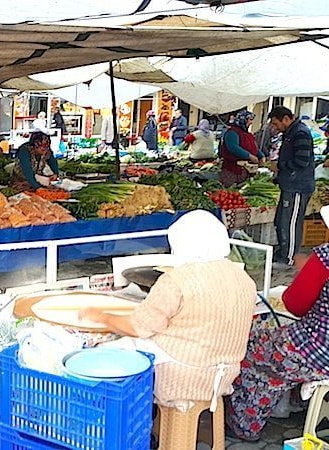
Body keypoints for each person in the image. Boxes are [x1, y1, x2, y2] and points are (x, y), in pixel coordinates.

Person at [80, 210, 257, 412]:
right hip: (226, 372)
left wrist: (101, 316)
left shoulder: (177, 280)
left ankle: (117, 419)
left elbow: (138, 327)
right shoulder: (243, 278)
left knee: (103, 351)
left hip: (183, 374)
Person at [226, 207, 329, 441]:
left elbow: (294, 304)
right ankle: (294, 403)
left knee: (250, 345)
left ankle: (244, 424)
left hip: (318, 352)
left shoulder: (325, 258)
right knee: (275, 345)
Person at [269, 106, 316, 267]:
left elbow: (301, 161)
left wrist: (279, 166)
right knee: (282, 220)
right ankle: (283, 252)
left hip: (298, 186)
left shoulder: (300, 133)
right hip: (290, 185)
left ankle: (288, 258)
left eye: (276, 124)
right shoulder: (291, 133)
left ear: (286, 119)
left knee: (290, 222)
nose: (275, 127)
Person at [219, 111, 260, 187]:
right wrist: (249, 156)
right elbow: (233, 148)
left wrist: (261, 155)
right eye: (249, 120)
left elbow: (253, 147)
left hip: (247, 170)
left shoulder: (248, 134)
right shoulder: (232, 133)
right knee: (231, 192)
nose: (251, 123)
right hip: (233, 171)